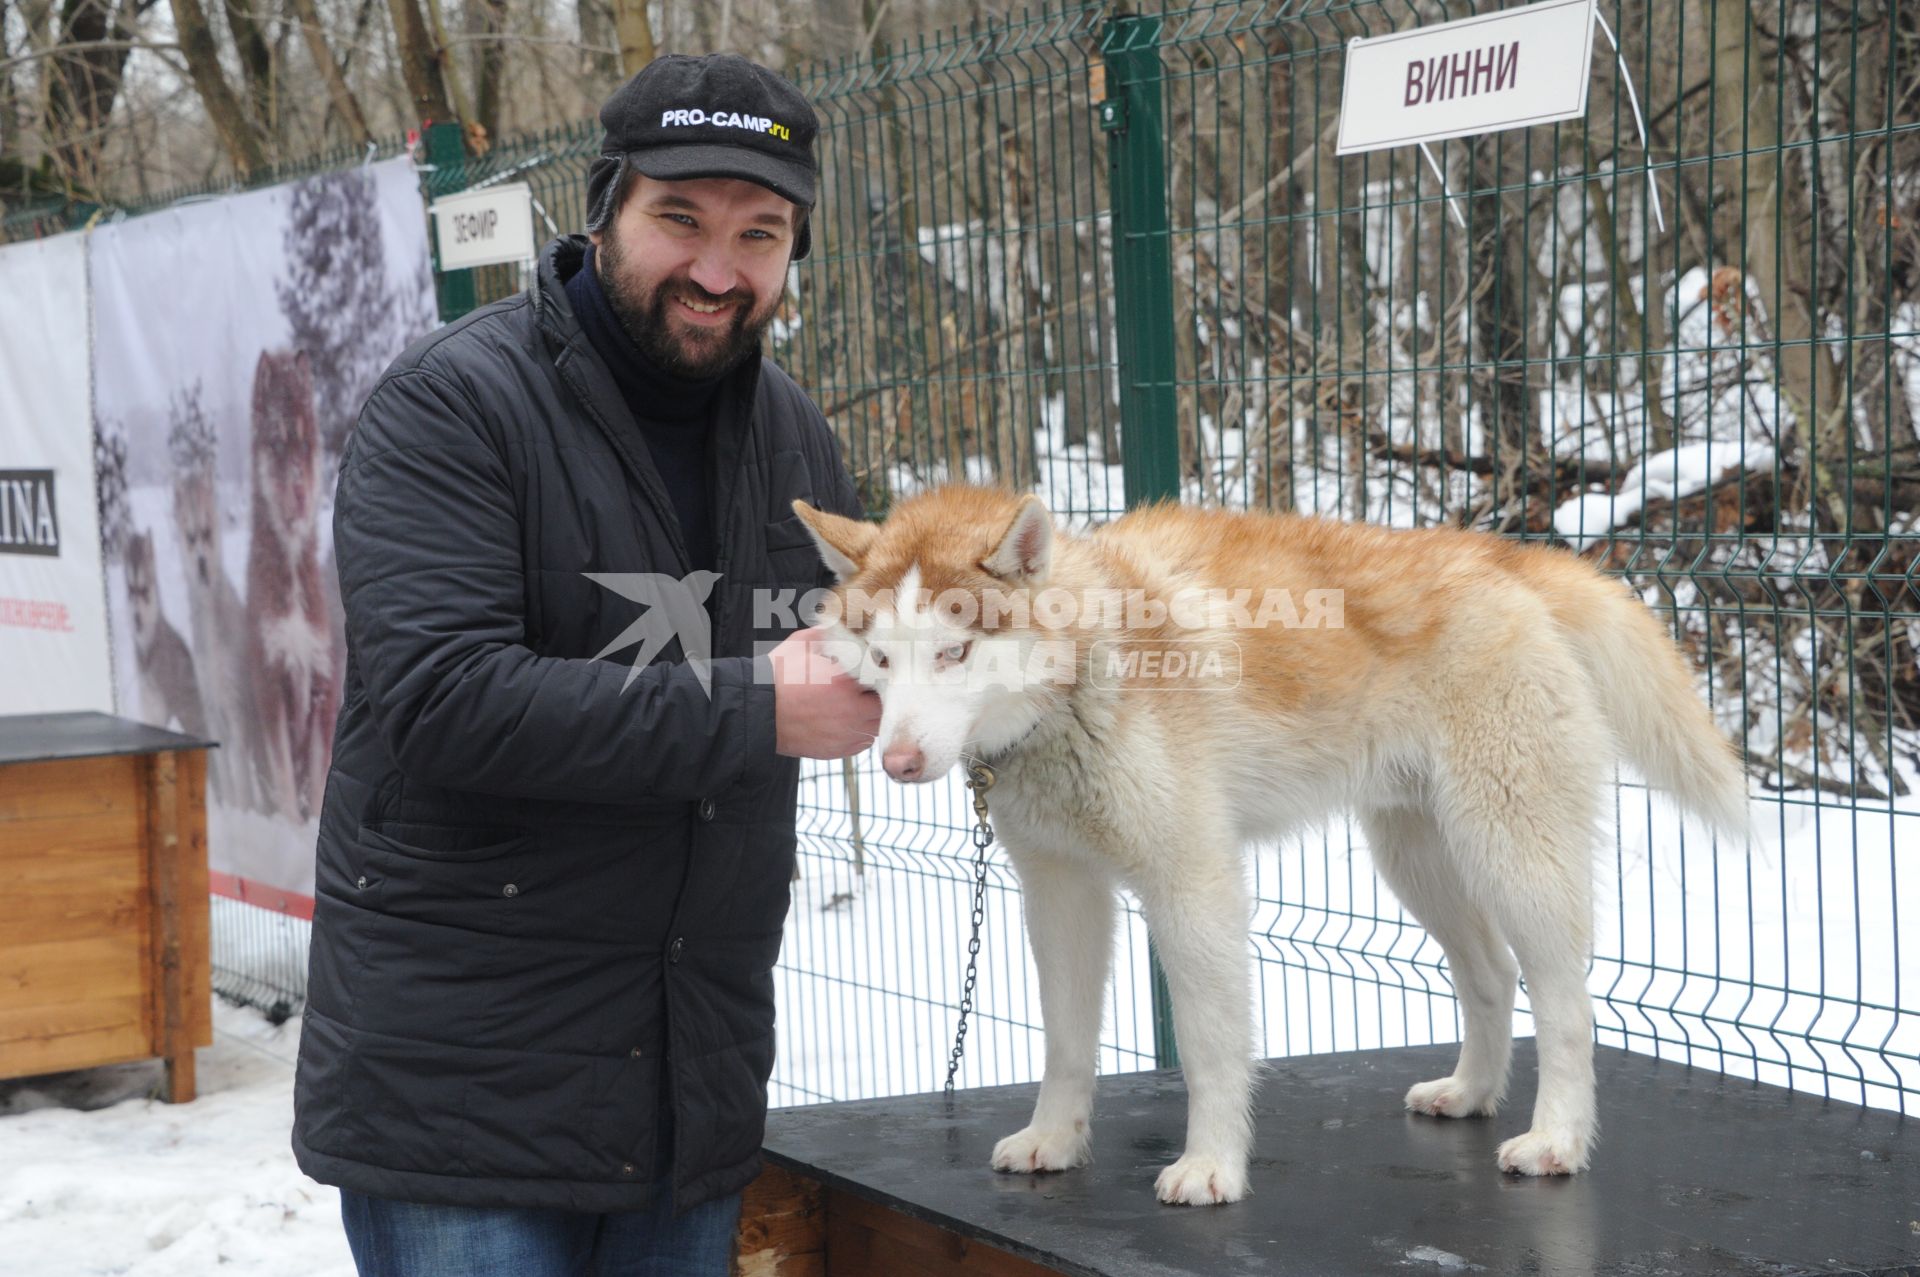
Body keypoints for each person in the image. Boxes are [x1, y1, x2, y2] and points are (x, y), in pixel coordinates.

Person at [291, 53, 880, 1277]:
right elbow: (445, 703)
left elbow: (870, 655)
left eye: (760, 234)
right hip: (462, 1106)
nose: (719, 270)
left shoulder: (799, 443)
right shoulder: (453, 407)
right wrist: (762, 705)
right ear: (606, 204)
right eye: (681, 220)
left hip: (687, 1100)